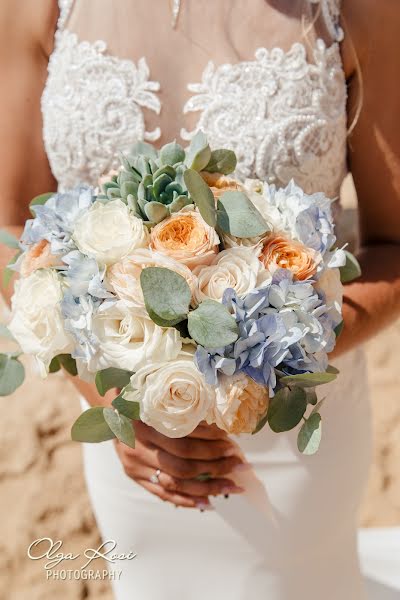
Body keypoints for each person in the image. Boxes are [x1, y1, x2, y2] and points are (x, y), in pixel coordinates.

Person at [1, 1, 399, 598]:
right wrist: (114, 395)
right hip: (133, 452)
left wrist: (263, 359)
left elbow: (395, 247)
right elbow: (11, 230)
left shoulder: (359, 10)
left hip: (291, 447)